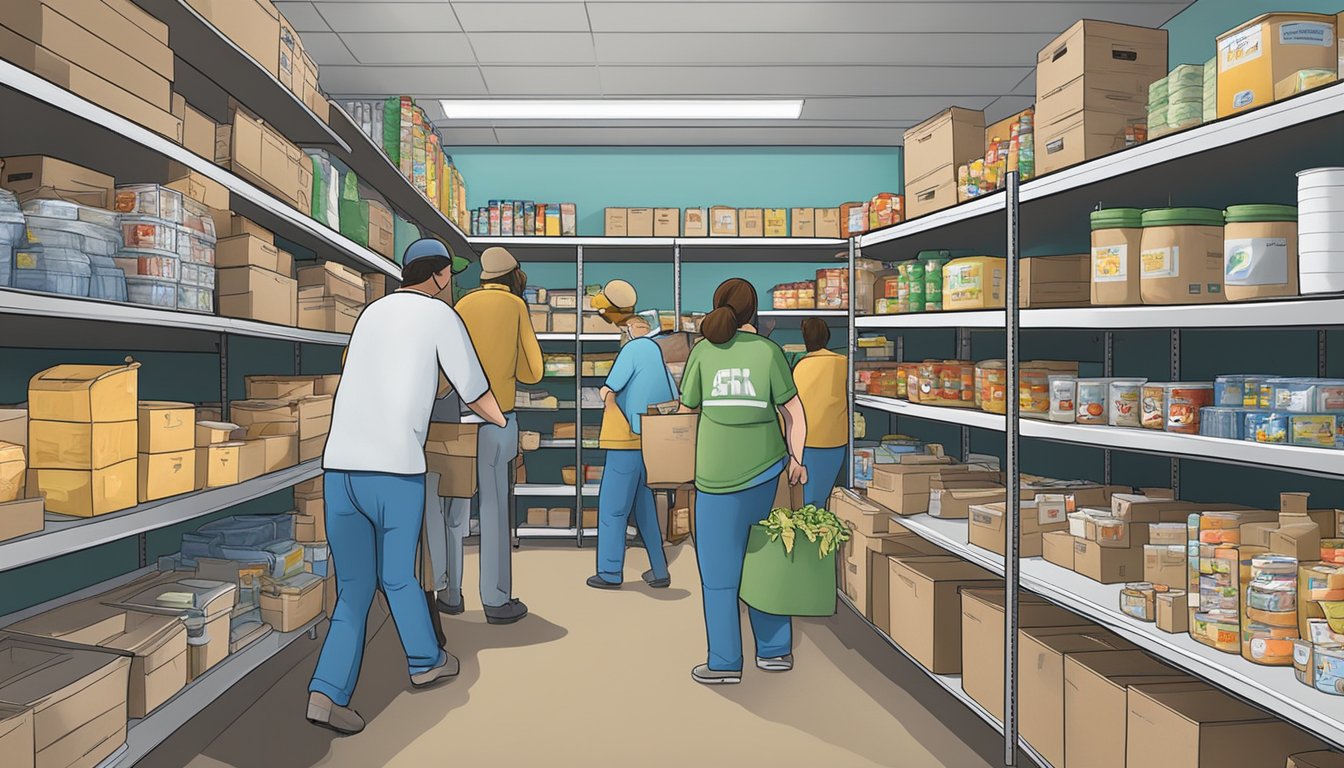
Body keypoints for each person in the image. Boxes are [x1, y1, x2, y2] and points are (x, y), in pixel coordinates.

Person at [309, 238, 506, 735]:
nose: (452, 281)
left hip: (340, 469)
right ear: (439, 275)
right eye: (450, 274)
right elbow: (475, 389)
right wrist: (500, 422)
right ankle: (425, 662)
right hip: (395, 471)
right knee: (397, 576)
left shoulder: (372, 313)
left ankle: (325, 693)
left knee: (353, 589)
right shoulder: (441, 316)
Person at [679, 278, 808, 685]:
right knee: (767, 562)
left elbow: (686, 412)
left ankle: (724, 662)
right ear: (753, 312)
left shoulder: (702, 351)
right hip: (767, 472)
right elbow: (794, 414)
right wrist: (797, 459)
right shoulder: (770, 353)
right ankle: (773, 651)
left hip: (714, 477)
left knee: (718, 575)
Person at [435, 246, 543, 625]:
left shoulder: (462, 306)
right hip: (498, 420)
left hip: (457, 419)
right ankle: (496, 599)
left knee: (454, 508)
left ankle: (449, 593)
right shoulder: (515, 306)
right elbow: (534, 371)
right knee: (495, 507)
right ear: (513, 277)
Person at [585, 281, 676, 590]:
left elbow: (609, 388)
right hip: (648, 439)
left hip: (624, 439)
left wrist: (606, 395)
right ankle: (660, 570)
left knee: (612, 507)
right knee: (645, 508)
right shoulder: (653, 348)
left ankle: (610, 572)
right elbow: (671, 390)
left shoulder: (631, 349)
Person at [792, 318, 848, 509]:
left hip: (805, 441)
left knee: (804, 499)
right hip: (835, 439)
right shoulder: (843, 363)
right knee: (825, 497)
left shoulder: (799, 366)